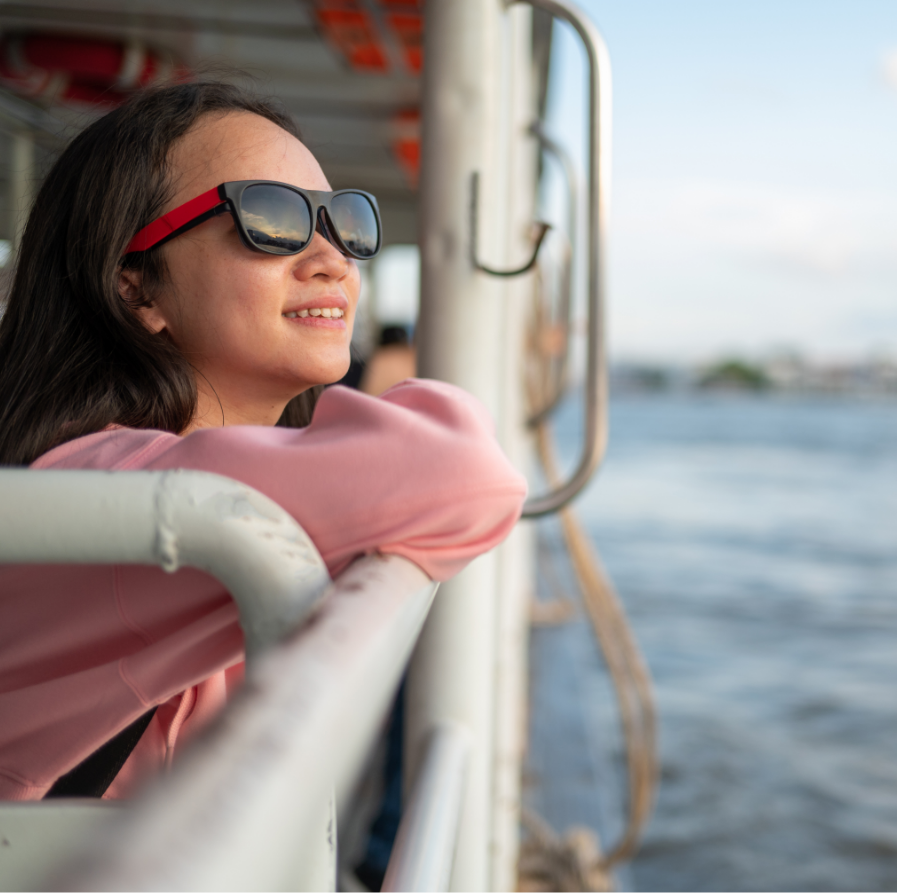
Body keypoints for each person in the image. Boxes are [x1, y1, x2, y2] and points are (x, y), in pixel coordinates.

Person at [0, 82, 527, 801]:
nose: (332, 258)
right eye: (268, 217)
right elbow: (463, 470)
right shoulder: (109, 493)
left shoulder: (141, 472)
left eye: (343, 221)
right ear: (137, 289)